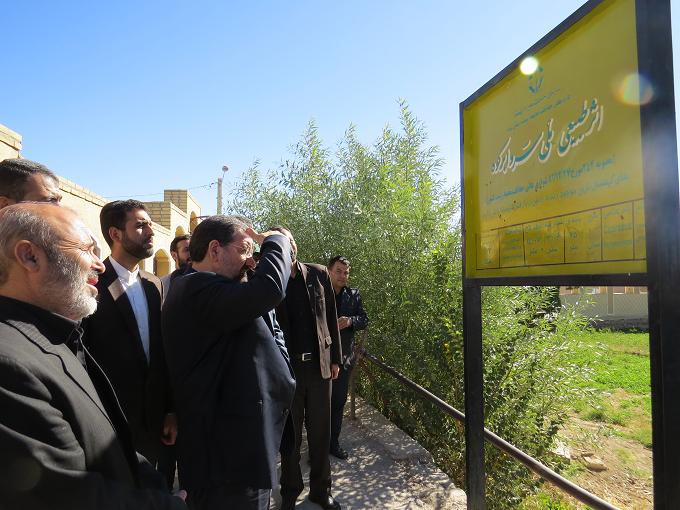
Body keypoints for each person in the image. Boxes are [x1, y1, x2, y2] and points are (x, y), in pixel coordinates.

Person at [0, 203, 186, 509]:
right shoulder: (10, 365)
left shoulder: (58, 336)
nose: (98, 265)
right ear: (30, 256)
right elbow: (63, 493)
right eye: (87, 250)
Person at [162, 216, 296, 510]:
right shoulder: (195, 289)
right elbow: (270, 289)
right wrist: (277, 241)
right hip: (225, 462)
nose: (250, 260)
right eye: (244, 250)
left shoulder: (218, 289)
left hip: (241, 451)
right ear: (215, 250)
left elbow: (267, 321)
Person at [82, 200, 176, 467]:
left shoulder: (154, 284)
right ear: (115, 234)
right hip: (107, 423)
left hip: (153, 423)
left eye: (151, 225)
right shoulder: (90, 282)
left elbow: (161, 351)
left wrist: (170, 410)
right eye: (141, 225)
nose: (151, 232)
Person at [271, 227, 343, 510]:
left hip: (319, 368)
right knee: (290, 436)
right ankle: (290, 491)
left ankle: (321, 491)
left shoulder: (318, 273)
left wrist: (335, 358)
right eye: (278, 242)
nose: (286, 246)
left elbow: (331, 316)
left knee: (320, 434)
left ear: (295, 245)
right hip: (286, 372)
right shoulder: (269, 279)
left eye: (288, 241)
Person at [327, 256, 368, 460]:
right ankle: (317, 446)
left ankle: (333, 444)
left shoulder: (353, 295)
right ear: (329, 271)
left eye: (346, 272)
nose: (343, 276)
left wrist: (350, 320)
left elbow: (364, 319)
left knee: (337, 403)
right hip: (321, 358)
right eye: (339, 271)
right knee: (318, 405)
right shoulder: (318, 292)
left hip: (344, 359)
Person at [161, 234, 191, 300]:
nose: (191, 253)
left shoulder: (204, 279)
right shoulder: (163, 283)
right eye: (187, 250)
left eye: (193, 249)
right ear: (174, 255)